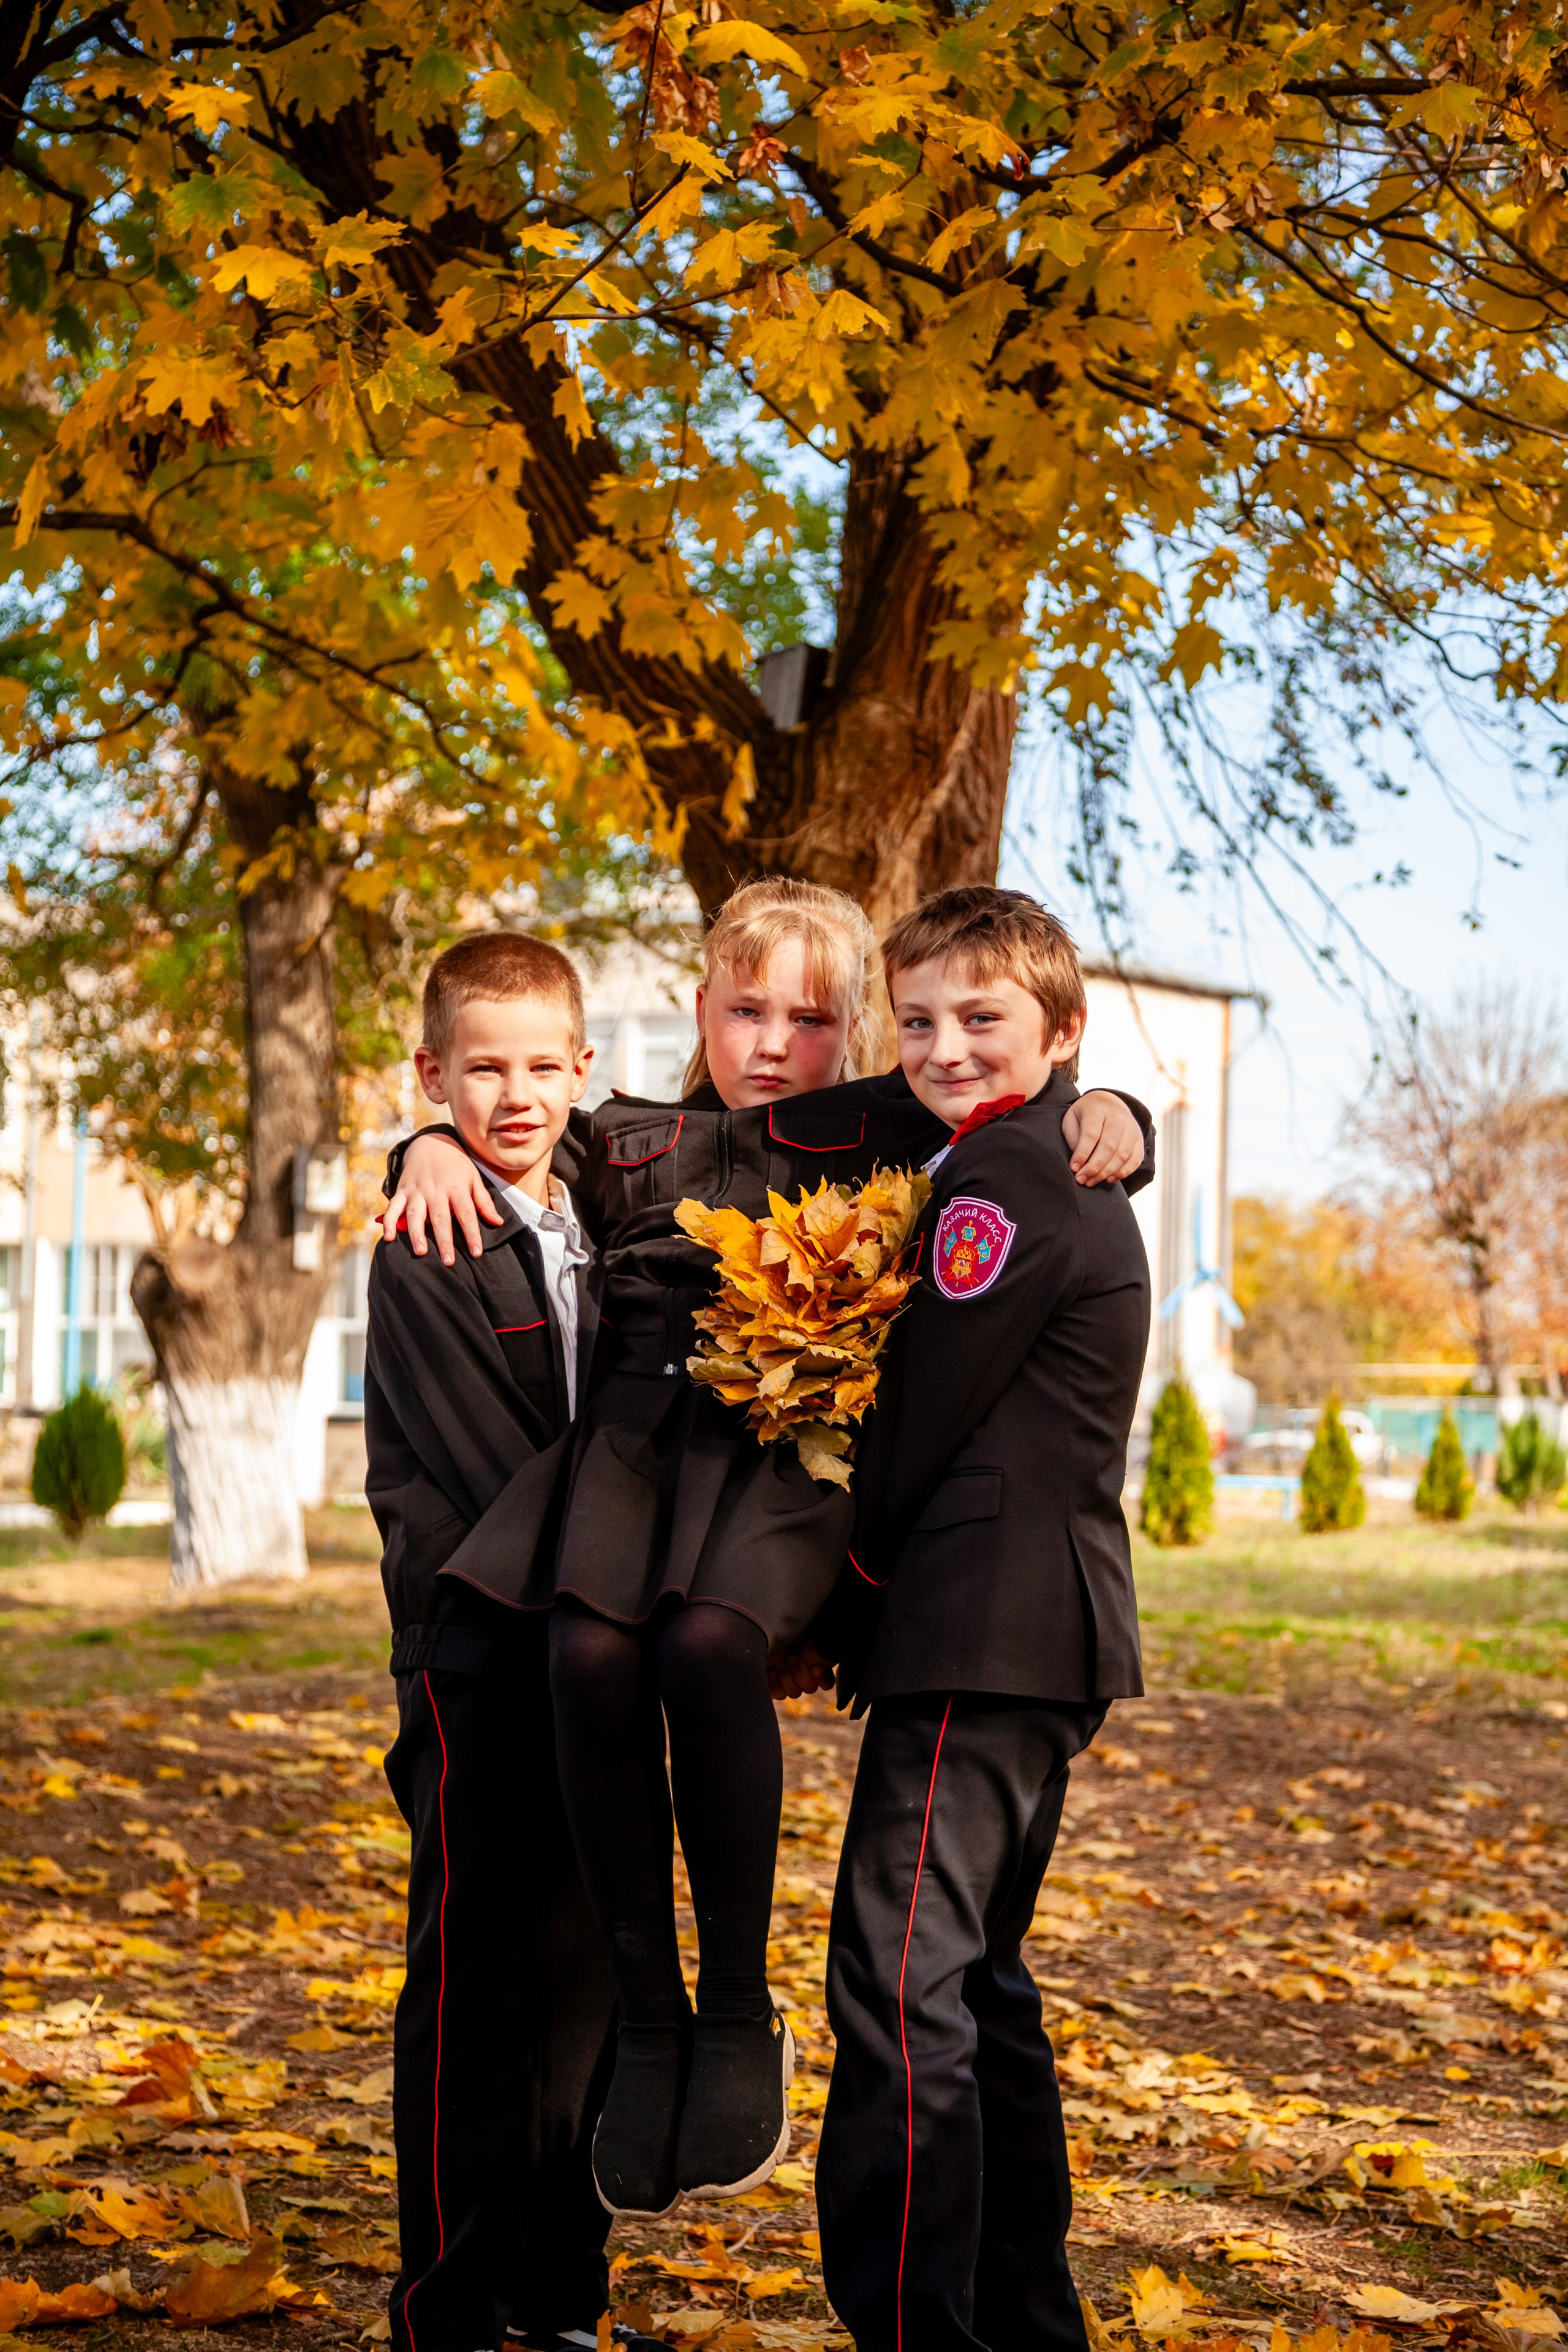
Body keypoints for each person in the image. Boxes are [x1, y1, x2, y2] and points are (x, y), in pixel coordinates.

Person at [380, 881, 1153, 2226]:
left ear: (849, 1028)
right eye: (745, 1012)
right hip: (631, 1456)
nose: (774, 1046)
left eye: (810, 1019)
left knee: (703, 1644)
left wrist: (1121, 1115)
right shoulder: (624, 1137)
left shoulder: (893, 1126)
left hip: (782, 1450)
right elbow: (509, 1130)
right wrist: (415, 1151)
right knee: (580, 1648)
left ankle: (735, 2005)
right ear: (700, 1011)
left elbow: (1025, 1115)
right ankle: (650, 2012)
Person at [791, 887, 1153, 2352]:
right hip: (1030, 1631)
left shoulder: (1002, 1181)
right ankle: (1019, 2320)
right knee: (976, 1983)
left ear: (1059, 1035)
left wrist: (831, 1598)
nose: (941, 1048)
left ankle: (916, 2329)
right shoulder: (1015, 1151)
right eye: (919, 1020)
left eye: (981, 1021)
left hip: (974, 1626)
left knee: (895, 1979)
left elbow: (919, 1414)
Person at [368, 932, 653, 2352]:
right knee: (479, 1976)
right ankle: (452, 2305)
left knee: (589, 1973)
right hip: (478, 1651)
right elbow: (510, 1471)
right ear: (431, 1075)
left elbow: (770, 1130)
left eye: (544, 1065)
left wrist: (1111, 1114)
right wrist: (415, 1151)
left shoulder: (613, 1202)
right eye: (477, 1072)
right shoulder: (423, 1245)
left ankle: (561, 2299)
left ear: (584, 1073)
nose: (515, 1094)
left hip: (603, 1658)